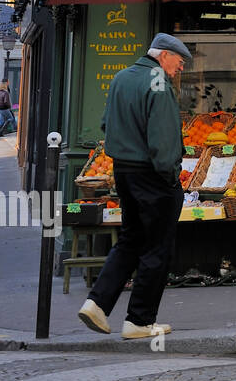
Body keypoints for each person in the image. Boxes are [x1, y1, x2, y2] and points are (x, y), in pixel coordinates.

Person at [78, 33, 192, 339]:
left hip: (123, 171)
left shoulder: (122, 77)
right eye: (179, 62)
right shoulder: (158, 82)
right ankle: (139, 321)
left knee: (130, 239)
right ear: (164, 56)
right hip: (153, 175)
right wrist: (170, 176)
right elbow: (163, 138)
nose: (179, 69)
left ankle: (96, 303)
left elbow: (106, 124)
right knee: (157, 248)